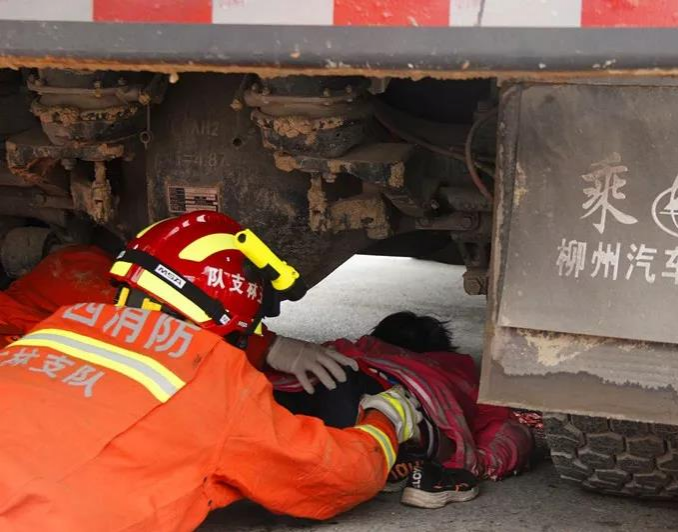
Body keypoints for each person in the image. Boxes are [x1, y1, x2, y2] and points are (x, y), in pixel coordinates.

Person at [0, 210, 422, 531]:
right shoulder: (218, 387)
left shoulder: (56, 326)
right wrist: (387, 418)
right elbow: (338, 475)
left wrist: (263, 344)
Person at [270, 311, 536, 509]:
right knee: (397, 416)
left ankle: (395, 446)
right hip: (380, 408)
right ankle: (405, 444)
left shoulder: (356, 348)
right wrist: (473, 463)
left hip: (322, 389)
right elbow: (507, 432)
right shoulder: (456, 373)